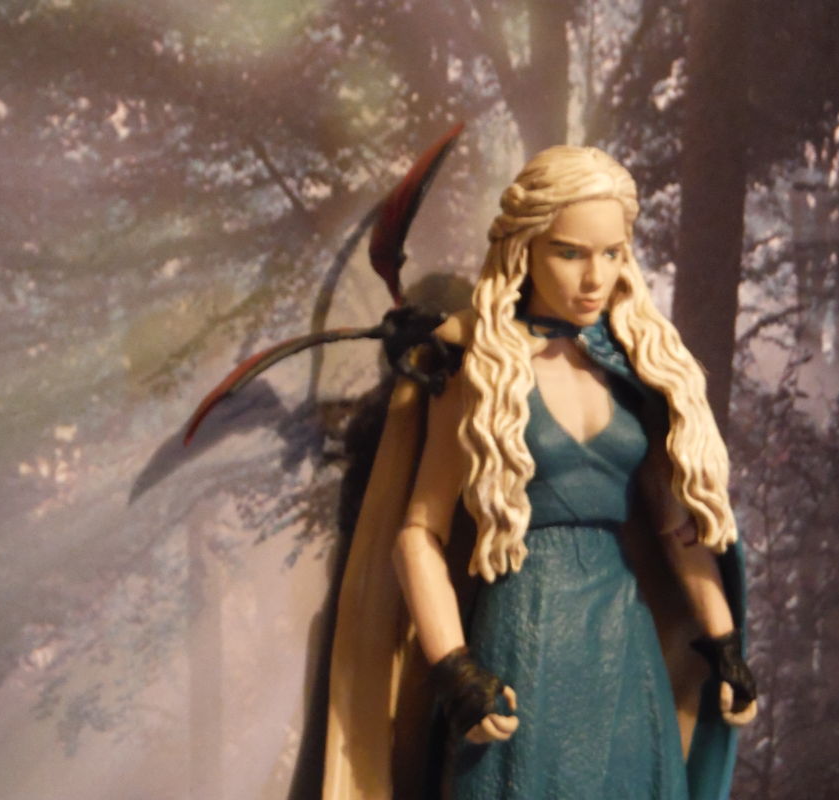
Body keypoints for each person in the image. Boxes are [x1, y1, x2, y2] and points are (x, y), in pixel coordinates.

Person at [323, 146, 756, 799]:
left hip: (624, 639)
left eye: (612, 253)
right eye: (570, 253)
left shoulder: (630, 365)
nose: (594, 277)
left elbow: (675, 528)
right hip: (527, 630)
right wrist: (454, 668)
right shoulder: (482, 370)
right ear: (524, 248)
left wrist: (723, 642)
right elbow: (419, 534)